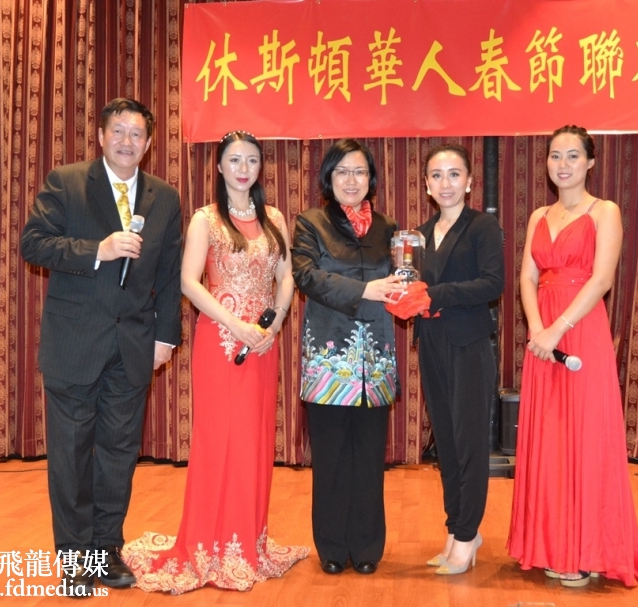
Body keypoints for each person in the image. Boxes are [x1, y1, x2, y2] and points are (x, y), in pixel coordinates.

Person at [121, 131, 308, 593]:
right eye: (234, 160)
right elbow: (189, 282)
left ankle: (247, 542)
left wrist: (275, 322)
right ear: (220, 167)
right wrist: (235, 323)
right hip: (221, 343)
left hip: (262, 343)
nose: (244, 169)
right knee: (219, 440)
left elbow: (287, 276)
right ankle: (207, 543)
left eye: (252, 160)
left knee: (255, 440)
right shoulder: (206, 219)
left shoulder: (274, 218)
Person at [20, 97, 182, 596]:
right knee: (71, 456)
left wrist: (165, 337)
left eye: (137, 134)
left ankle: (106, 549)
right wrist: (98, 250)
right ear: (100, 136)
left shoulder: (164, 197)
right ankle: (74, 560)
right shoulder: (67, 183)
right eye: (118, 131)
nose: (127, 141)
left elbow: (170, 275)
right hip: (74, 344)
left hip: (134, 346)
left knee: (118, 453)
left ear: (148, 143)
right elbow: (33, 243)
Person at [507, 125, 638, 587]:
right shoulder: (538, 215)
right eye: (555, 155)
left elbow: (602, 279)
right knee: (549, 441)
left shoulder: (604, 211)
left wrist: (558, 328)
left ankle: (587, 551)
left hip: (581, 329)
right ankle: (549, 545)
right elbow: (527, 277)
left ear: (591, 162)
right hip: (543, 338)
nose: (563, 164)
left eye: (573, 155)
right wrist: (537, 328)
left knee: (585, 437)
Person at [291, 139, 405, 576]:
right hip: (330, 360)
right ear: (329, 178)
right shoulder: (311, 223)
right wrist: (365, 290)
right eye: (342, 172)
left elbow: (400, 279)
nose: (351, 180)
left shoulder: (389, 228)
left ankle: (368, 547)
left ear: (371, 178)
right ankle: (333, 548)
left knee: (370, 457)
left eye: (359, 171)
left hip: (375, 359)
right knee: (332, 457)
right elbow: (306, 275)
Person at [413, 144, 505, 575]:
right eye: (437, 175)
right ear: (426, 185)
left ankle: (467, 536)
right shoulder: (420, 233)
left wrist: (435, 295)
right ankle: (456, 529)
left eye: (454, 174)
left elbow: (492, 284)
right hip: (431, 344)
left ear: (469, 182)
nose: (445, 183)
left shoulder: (482, 226)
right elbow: (414, 287)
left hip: (468, 345)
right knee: (446, 445)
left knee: (469, 445)